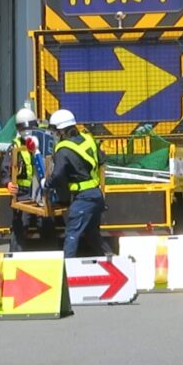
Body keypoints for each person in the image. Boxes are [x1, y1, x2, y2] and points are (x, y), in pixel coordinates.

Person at [43, 109, 113, 258]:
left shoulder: (63, 150)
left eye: (55, 131)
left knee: (72, 235)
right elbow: (101, 161)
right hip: (96, 195)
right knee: (91, 233)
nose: (54, 135)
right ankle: (111, 259)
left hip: (83, 198)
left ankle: (67, 272)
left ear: (62, 131)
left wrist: (46, 184)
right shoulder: (89, 139)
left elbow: (58, 175)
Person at [4, 108, 37, 251]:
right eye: (23, 127)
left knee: (46, 223)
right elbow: (5, 168)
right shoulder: (14, 147)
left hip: (40, 190)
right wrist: (8, 183)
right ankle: (16, 255)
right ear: (18, 128)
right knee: (20, 225)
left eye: (30, 126)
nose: (27, 131)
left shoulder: (42, 142)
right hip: (22, 192)